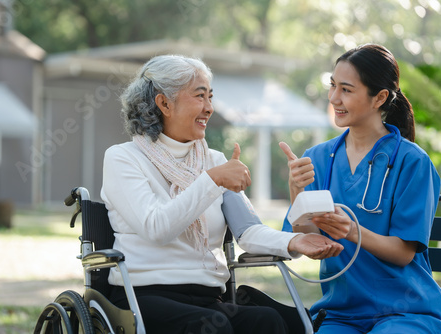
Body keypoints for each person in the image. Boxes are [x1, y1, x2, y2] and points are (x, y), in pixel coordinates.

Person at [101, 54, 343, 334]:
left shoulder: (214, 160)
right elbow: (156, 228)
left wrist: (296, 240)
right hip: (142, 297)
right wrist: (212, 179)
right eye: (199, 96)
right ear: (164, 103)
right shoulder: (123, 158)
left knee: (267, 320)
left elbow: (249, 231)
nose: (209, 108)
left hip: (205, 298)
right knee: (211, 328)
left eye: (211, 97)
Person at [280, 44, 441, 333]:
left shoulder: (412, 162)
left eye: (346, 89)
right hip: (342, 312)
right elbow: (310, 239)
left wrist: (351, 230)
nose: (334, 98)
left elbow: (403, 253)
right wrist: (297, 191)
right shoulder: (318, 158)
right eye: (332, 86)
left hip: (407, 311)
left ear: (380, 97)